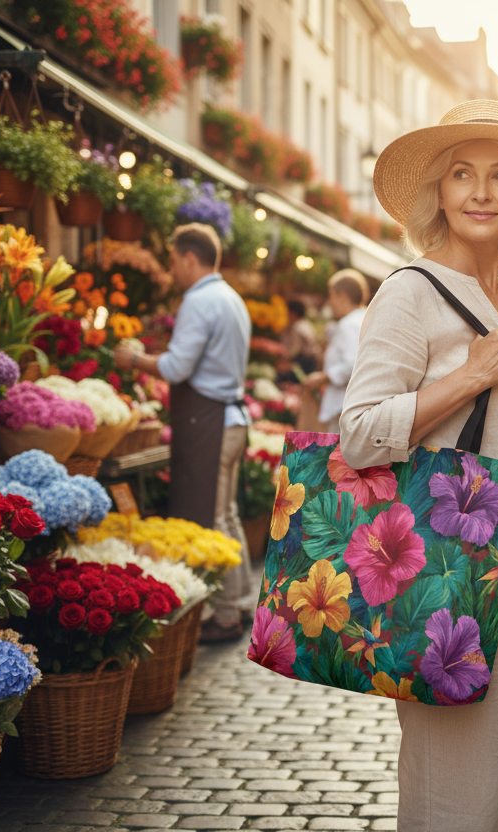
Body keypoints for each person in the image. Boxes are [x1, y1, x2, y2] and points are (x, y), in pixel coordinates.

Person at [339, 100, 498, 832]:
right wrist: (464, 379)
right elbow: (358, 434)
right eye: (462, 174)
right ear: (440, 195)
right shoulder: (408, 294)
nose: (481, 190)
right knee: (457, 795)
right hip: (448, 565)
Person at [113, 224, 253, 642]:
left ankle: (226, 613)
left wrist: (135, 357)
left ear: (190, 258)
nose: (172, 270)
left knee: (212, 519)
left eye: (173, 261)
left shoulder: (198, 299)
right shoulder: (231, 297)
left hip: (209, 421)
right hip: (231, 419)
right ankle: (241, 601)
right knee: (226, 516)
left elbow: (177, 368)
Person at [299, 269, 369, 434]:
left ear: (343, 296)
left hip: (343, 408)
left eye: (331, 296)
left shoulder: (348, 324)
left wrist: (324, 377)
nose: (329, 302)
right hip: (354, 407)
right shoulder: (363, 319)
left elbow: (353, 364)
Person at [279, 299, 319, 379]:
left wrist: (285, 360)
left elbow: (295, 349)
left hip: (304, 362)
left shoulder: (296, 327)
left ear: (293, 314)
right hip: (312, 361)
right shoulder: (305, 324)